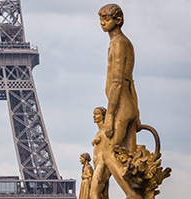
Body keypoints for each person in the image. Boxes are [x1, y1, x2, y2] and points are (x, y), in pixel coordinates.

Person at [98, 4, 142, 199]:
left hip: (120, 109)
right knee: (128, 162)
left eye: (106, 18)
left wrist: (110, 117)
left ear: (118, 20)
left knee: (108, 155)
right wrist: (137, 113)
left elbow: (117, 83)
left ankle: (131, 194)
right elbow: (131, 82)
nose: (102, 22)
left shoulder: (117, 43)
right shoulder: (127, 42)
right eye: (100, 18)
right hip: (129, 107)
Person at [90, 107, 110, 199]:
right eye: (94, 113)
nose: (94, 116)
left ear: (103, 116)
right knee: (102, 195)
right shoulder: (99, 131)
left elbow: (107, 149)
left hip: (102, 164)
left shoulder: (105, 130)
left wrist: (102, 166)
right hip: (97, 164)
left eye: (97, 113)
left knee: (94, 193)